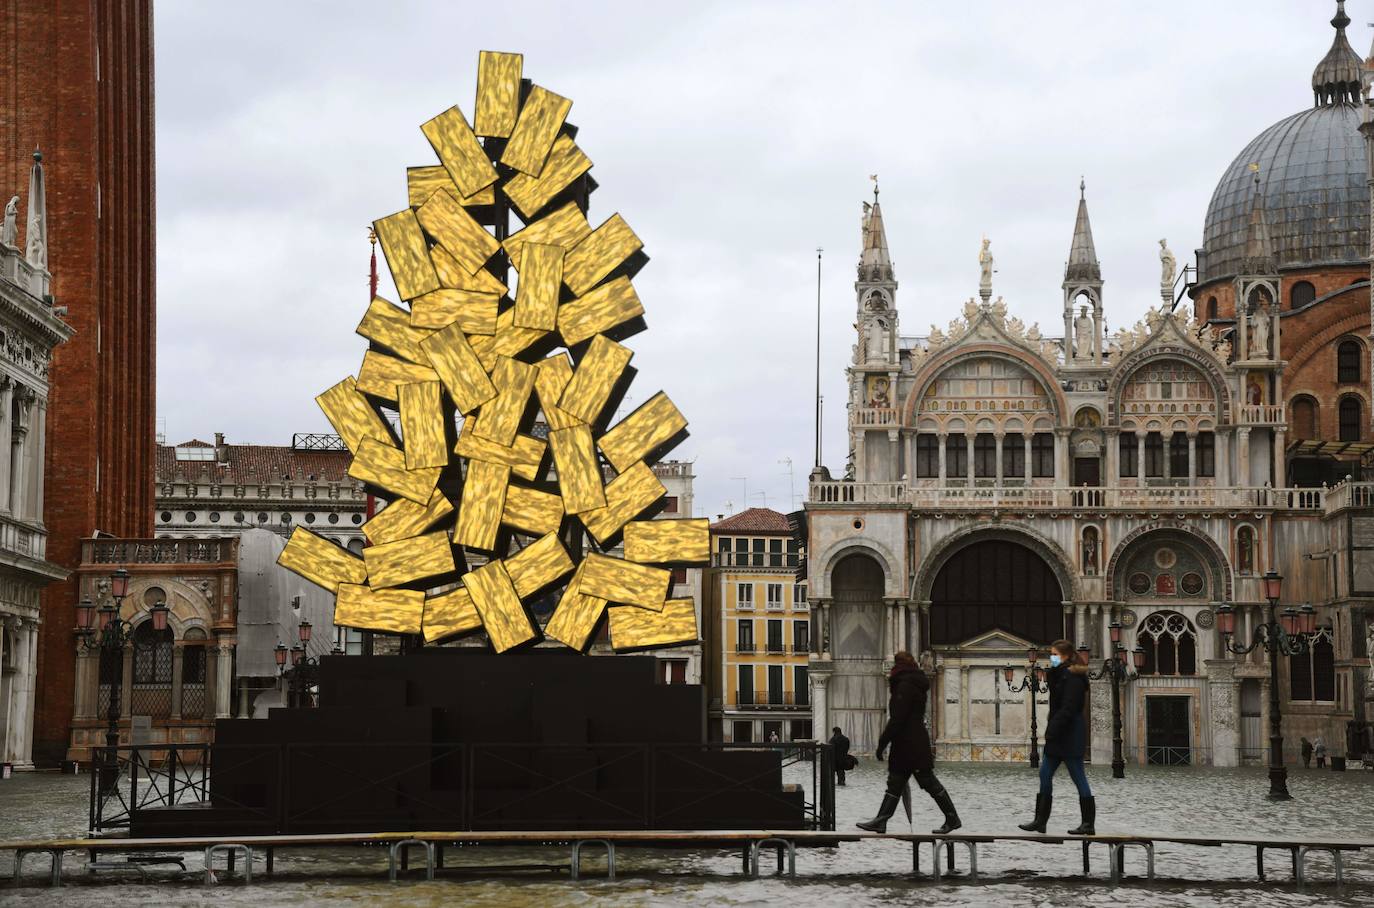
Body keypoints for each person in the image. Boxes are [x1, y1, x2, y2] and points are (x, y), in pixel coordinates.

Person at [857, 651, 961, 834]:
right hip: (911, 742)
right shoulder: (913, 682)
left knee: (927, 782)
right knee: (896, 782)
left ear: (898, 666)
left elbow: (898, 718)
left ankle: (952, 818)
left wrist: (882, 743)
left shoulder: (904, 685)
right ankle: (881, 820)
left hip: (909, 743)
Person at [1019, 640, 1095, 835]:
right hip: (1058, 734)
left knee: (1078, 777)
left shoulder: (1073, 678)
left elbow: (1069, 708)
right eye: (1050, 654)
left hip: (1069, 733)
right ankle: (1040, 820)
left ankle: (1088, 824)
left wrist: (1053, 728)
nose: (1051, 657)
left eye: (1055, 654)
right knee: (1044, 773)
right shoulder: (1061, 675)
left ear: (1066, 656)